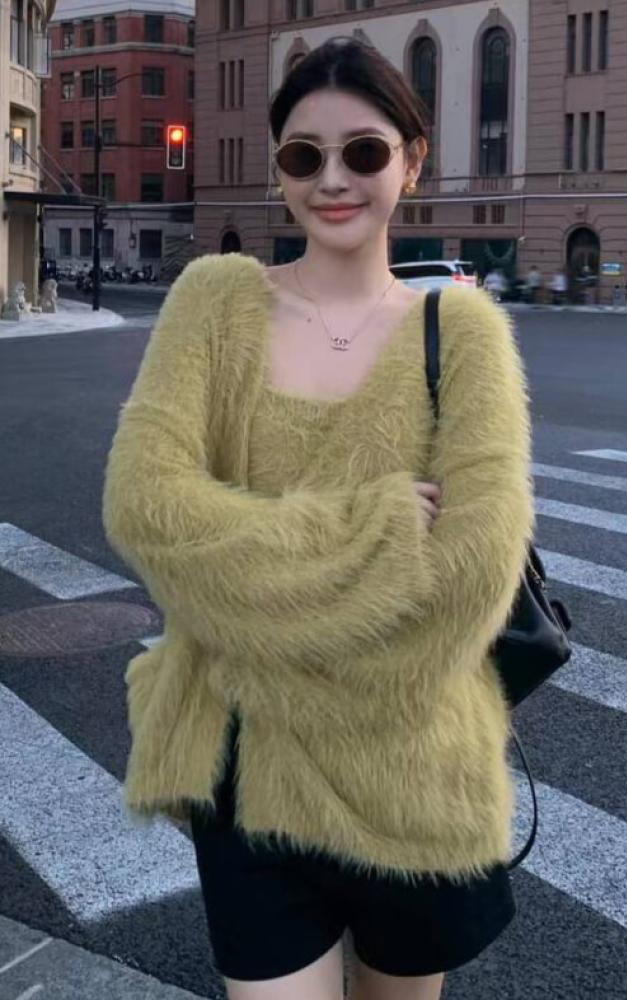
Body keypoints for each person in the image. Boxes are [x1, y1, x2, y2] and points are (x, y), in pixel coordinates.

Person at [102, 37, 534, 1000]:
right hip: (246, 768)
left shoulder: (461, 330)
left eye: (363, 152)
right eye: (304, 156)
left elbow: (473, 572)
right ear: (279, 171)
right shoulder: (214, 302)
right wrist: (373, 530)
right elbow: (145, 506)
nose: (332, 180)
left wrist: (247, 596)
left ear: (412, 161)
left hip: (413, 770)